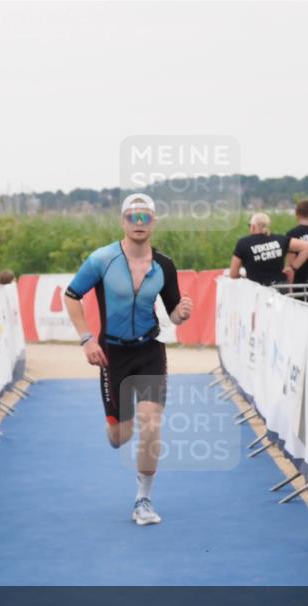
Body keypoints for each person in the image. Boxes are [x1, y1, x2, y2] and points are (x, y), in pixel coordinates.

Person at [64, 193, 193, 526]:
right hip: (113, 355)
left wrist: (181, 313)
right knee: (120, 436)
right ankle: (117, 425)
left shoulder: (164, 265)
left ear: (153, 222)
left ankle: (143, 500)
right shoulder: (102, 259)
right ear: (123, 221)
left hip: (150, 350)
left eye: (145, 217)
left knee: (151, 423)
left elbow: (174, 314)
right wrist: (87, 339)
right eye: (133, 217)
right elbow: (71, 296)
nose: (139, 223)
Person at [229, 212, 308, 287]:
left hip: (257, 292)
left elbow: (233, 273)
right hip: (280, 290)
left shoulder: (243, 243)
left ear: (253, 227)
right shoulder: (280, 240)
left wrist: (245, 279)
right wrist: (293, 268)